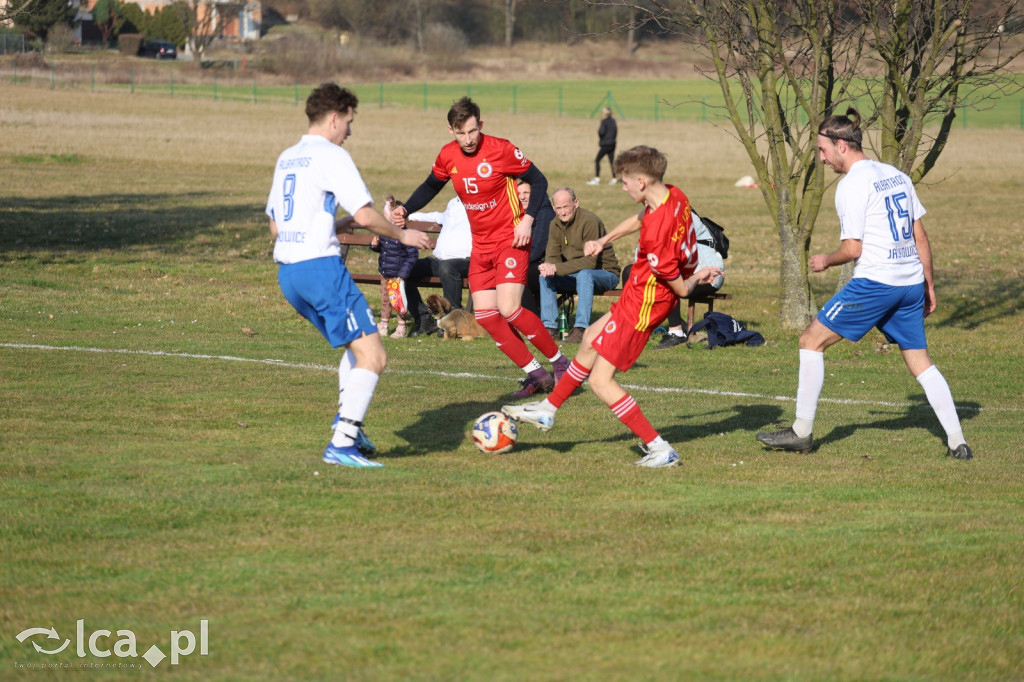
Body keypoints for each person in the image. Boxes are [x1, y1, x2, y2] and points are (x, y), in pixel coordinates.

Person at [755, 108, 972, 460]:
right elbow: (920, 234)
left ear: (841, 145)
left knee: (810, 341)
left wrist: (826, 259)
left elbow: (853, 249)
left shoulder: (851, 185)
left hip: (876, 282)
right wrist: (928, 284)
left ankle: (800, 432)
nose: (822, 159)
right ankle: (957, 441)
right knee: (921, 362)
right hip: (910, 282)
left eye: (823, 150)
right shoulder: (895, 175)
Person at [503, 146, 723, 468]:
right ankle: (548, 410)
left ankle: (659, 447)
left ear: (642, 181)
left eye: (624, 182)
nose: (623, 188)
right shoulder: (674, 196)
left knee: (600, 381)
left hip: (645, 306)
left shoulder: (659, 233)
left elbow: (679, 289)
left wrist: (697, 278)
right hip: (638, 293)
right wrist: (604, 241)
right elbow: (640, 217)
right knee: (591, 336)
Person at [266, 82, 431, 468]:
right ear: (335, 118)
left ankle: (351, 430)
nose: (350, 132)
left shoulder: (288, 157)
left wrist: (329, 221)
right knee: (374, 356)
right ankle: (341, 444)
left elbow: (276, 227)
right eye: (350, 122)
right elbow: (366, 216)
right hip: (320, 270)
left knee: (355, 348)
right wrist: (403, 233)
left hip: (289, 275)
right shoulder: (332, 155)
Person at [392, 97, 569, 398]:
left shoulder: (500, 149)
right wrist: (406, 209)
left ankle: (561, 364)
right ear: (451, 131)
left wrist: (527, 221)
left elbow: (539, 181)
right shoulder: (448, 156)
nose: (469, 139)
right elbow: (432, 185)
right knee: (487, 316)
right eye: (461, 133)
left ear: (480, 125)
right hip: (481, 247)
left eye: (473, 131)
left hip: (510, 242)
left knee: (510, 309)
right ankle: (537, 374)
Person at [539, 187, 621, 343]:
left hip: (604, 273)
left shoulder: (590, 221)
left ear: (576, 203)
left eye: (566, 207)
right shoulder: (554, 224)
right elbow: (552, 257)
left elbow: (590, 262)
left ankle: (581, 329)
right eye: (558, 208)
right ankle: (549, 328)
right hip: (576, 275)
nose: (562, 212)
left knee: (585, 274)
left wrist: (556, 268)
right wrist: (548, 267)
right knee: (545, 277)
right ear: (553, 207)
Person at [652, 211, 726, 349]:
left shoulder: (681, 215)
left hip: (707, 274)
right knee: (630, 271)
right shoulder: (655, 218)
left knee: (669, 280)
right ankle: (634, 328)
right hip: (684, 273)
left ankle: (677, 333)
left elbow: (673, 252)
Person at [403, 196, 473, 336]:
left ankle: (453, 321)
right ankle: (424, 319)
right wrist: (410, 214)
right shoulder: (454, 202)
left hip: (465, 260)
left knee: (447, 267)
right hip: (441, 259)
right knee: (405, 269)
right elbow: (440, 216)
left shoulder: (480, 203)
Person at [371, 196, 420, 339]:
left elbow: (412, 256)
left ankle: (401, 327)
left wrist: (403, 274)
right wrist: (375, 245)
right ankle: (384, 325)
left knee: (398, 301)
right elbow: (383, 250)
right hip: (385, 272)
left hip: (397, 275)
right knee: (385, 299)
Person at [516, 179, 555, 319]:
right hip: (529, 261)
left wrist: (517, 261)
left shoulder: (544, 213)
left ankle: (533, 318)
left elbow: (538, 248)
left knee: (517, 275)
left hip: (544, 264)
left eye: (526, 192)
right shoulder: (520, 214)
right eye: (519, 193)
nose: (522, 196)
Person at [587, 106, 618, 186]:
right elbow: (615, 131)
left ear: (604, 113)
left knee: (597, 160)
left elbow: (601, 132)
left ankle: (597, 178)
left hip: (605, 144)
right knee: (611, 161)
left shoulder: (604, 121)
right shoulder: (613, 121)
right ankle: (614, 179)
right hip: (613, 144)